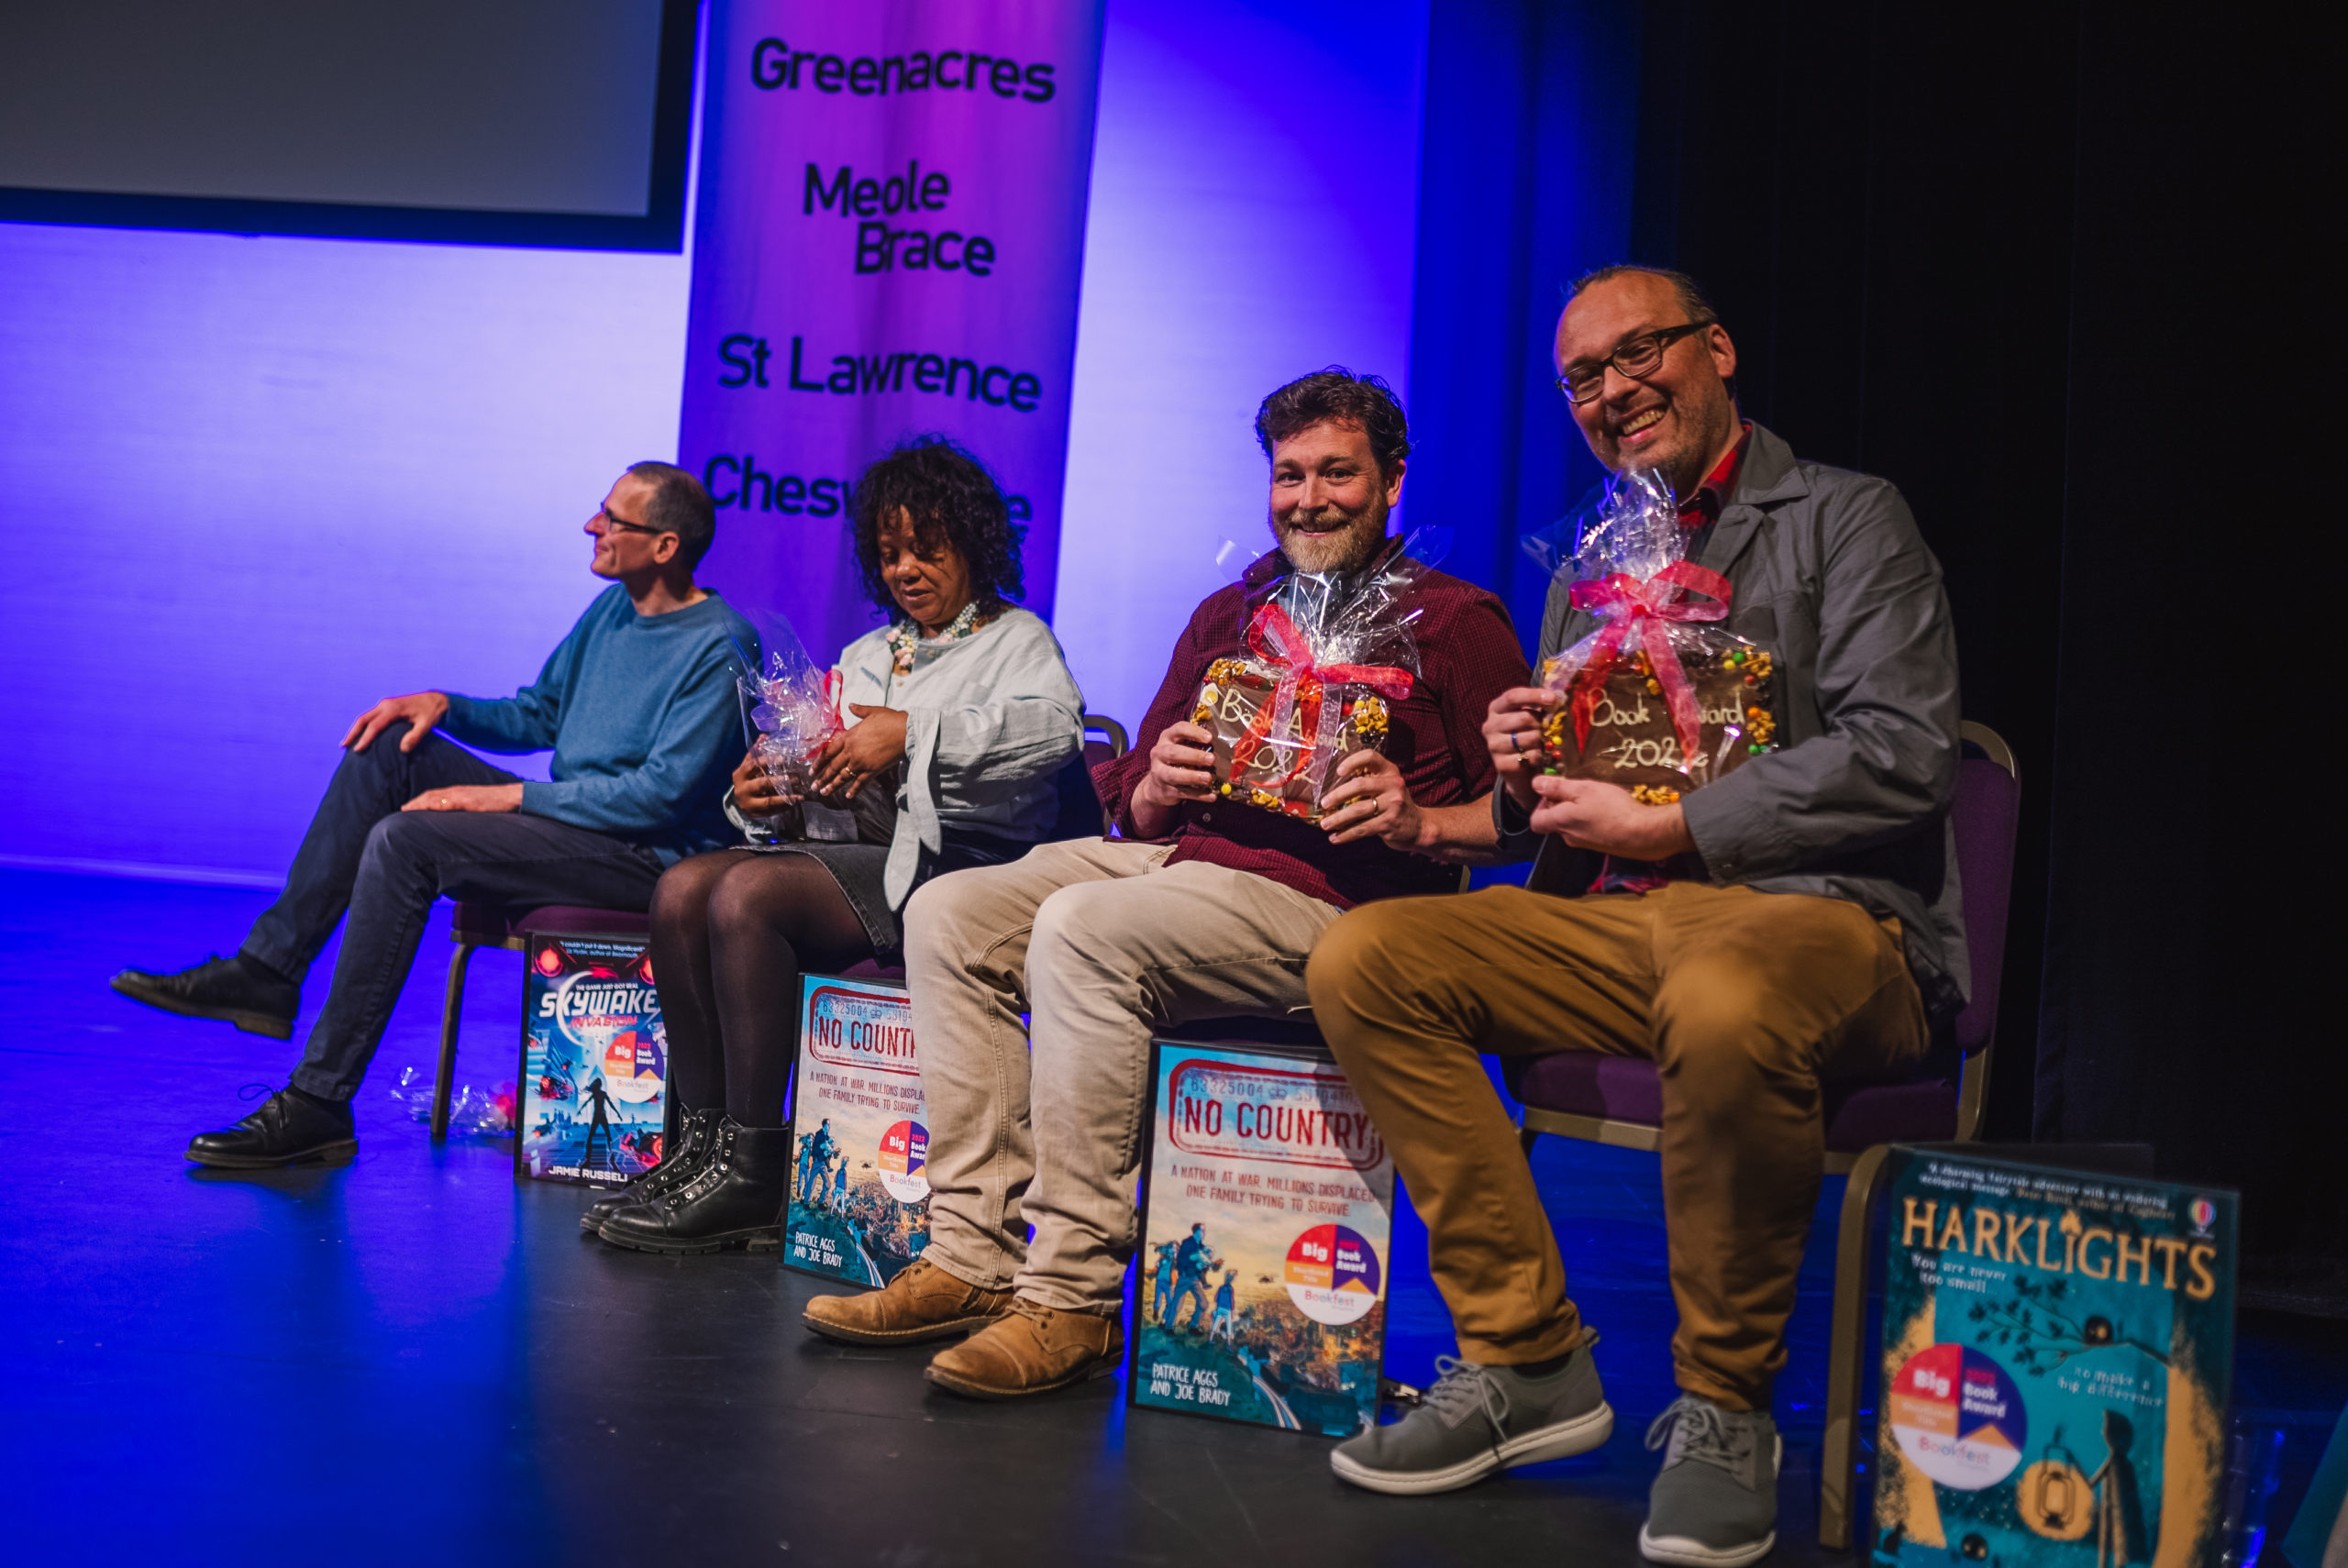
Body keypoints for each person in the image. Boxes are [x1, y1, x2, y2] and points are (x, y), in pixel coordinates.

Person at [1306, 266, 1963, 1566]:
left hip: (1820, 920)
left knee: (1723, 993)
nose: (1613, 390)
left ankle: (1724, 1409)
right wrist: (1520, 764)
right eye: (1583, 378)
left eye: (1639, 353)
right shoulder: (1590, 560)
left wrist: (1685, 826)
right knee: (1367, 954)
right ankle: (1525, 1358)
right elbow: (1561, 806)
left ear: (1716, 349)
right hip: (1618, 922)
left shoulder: (1845, 516)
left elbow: (1904, 751)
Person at [799, 369, 1531, 1397]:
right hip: (1184, 863)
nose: (1309, 499)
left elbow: (1526, 815)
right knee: (952, 910)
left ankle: (1072, 1296)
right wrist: (1157, 781)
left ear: (1393, 480)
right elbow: (1133, 796)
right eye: (1289, 476)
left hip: (1340, 902)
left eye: (1337, 474)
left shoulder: (1453, 621)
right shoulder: (1232, 612)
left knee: (1084, 927)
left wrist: (1422, 822)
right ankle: (973, 1256)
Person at [115, 463, 755, 1169]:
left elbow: (658, 797)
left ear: (664, 546)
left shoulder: (721, 644)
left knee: (405, 841)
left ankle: (319, 1100)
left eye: (611, 519)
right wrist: (442, 706)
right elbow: (539, 713)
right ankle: (267, 971)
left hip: (644, 858)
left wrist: (505, 797)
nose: (590, 526)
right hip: (575, 823)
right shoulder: (612, 610)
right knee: (391, 749)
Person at [587, 436, 1085, 1253]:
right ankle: (700, 1152)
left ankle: (754, 1170)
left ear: (973, 543)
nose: (905, 570)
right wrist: (763, 796)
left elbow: (1056, 733)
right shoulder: (867, 655)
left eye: (927, 549)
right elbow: (820, 788)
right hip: (866, 858)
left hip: (965, 869)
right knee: (682, 887)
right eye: (889, 554)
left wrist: (912, 732)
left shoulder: (1018, 639)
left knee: (747, 895)